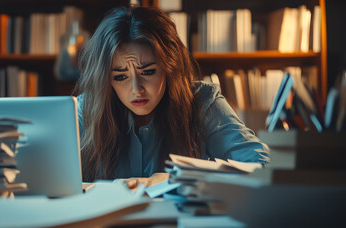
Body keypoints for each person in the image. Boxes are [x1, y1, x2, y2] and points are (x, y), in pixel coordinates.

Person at [75, 5, 269, 185]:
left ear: (170, 67)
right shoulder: (86, 110)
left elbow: (263, 165)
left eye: (148, 72)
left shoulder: (202, 102)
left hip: (182, 220)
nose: (136, 89)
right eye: (120, 76)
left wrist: (179, 178)